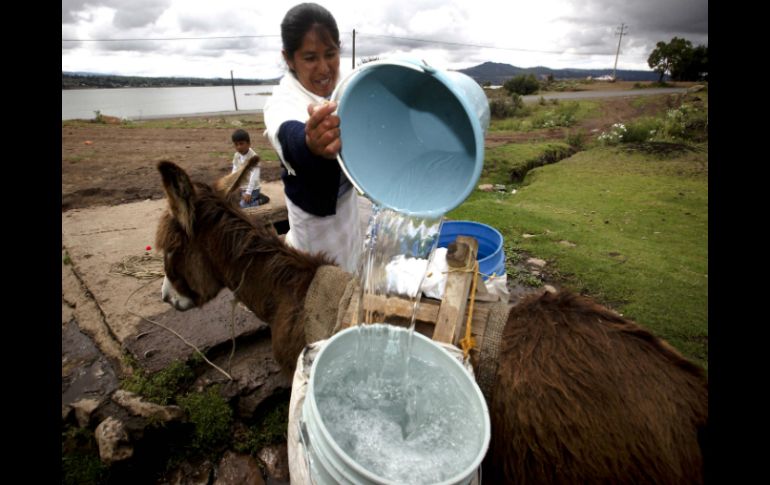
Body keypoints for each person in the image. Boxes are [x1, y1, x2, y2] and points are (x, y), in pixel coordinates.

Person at [263, 2, 361, 273]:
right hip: (313, 222)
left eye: (330, 54)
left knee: (353, 271)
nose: (324, 68)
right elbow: (289, 138)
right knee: (319, 284)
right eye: (310, 58)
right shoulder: (282, 102)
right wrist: (310, 143)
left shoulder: (349, 84)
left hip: (348, 208)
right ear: (289, 58)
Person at [231, 129, 261, 208]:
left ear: (248, 144)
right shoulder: (236, 155)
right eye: (236, 144)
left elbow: (254, 177)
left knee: (242, 206)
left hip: (252, 189)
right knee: (230, 202)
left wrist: (248, 193)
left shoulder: (254, 157)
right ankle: (253, 198)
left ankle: (260, 201)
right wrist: (233, 186)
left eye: (241, 144)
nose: (239, 147)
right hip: (241, 188)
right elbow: (234, 171)